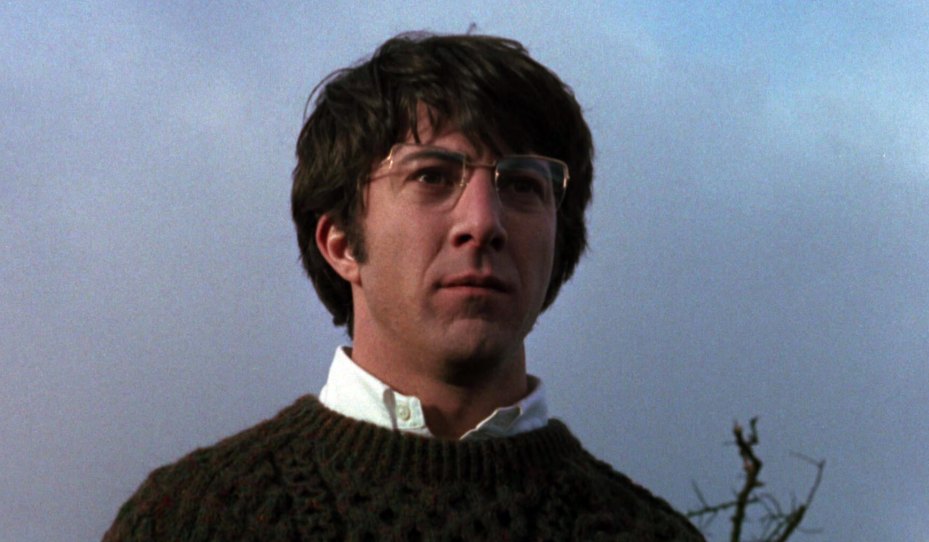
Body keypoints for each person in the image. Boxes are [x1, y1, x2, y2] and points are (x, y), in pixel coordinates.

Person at [104, 32, 704, 541]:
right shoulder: (193, 521)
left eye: (523, 185)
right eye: (432, 177)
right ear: (341, 243)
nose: (483, 222)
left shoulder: (648, 534)